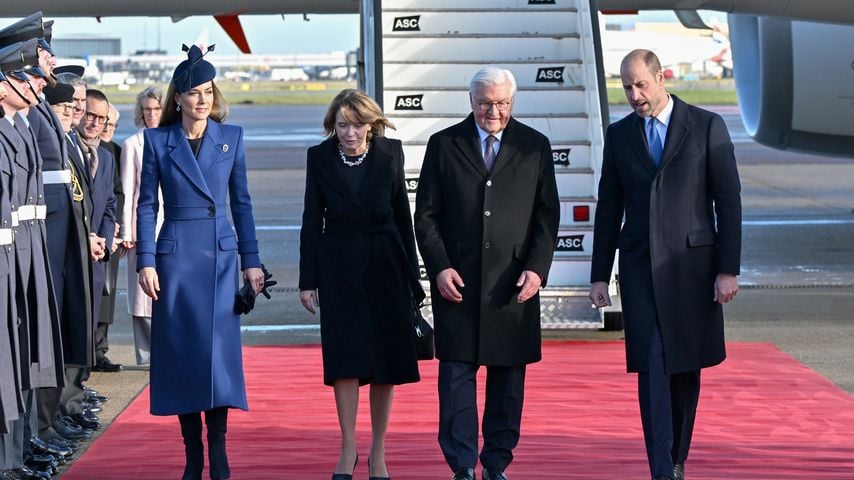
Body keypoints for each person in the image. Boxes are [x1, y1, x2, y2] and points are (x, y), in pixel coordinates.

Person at [588, 49, 741, 480]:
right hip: (639, 270)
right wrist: (600, 273)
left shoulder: (706, 126)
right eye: (626, 87)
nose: (634, 95)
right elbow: (608, 208)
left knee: (684, 369)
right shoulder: (619, 136)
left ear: (661, 78)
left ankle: (677, 457)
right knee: (652, 366)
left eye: (641, 84)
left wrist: (728, 269)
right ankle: (661, 467)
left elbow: (728, 202)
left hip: (692, 270)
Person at [413, 67, 560, 480]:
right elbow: (425, 216)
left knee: (507, 386)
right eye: (484, 103)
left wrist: (536, 269)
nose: (493, 111)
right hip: (458, 285)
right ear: (470, 100)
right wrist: (439, 268)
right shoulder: (444, 145)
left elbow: (547, 216)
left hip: (512, 288)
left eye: (501, 103)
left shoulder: (535, 146)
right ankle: (461, 465)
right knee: (456, 383)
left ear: (512, 102)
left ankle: (496, 464)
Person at [136, 44, 264, 480]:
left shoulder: (233, 138)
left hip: (222, 261)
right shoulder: (157, 141)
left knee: (218, 360)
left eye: (208, 91)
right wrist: (146, 260)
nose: (202, 99)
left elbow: (242, 204)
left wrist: (253, 262)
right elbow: (146, 206)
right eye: (193, 92)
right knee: (182, 357)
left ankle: (220, 452)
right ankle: (193, 455)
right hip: (175, 261)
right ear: (178, 98)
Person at [299, 88, 423, 480]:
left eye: (357, 125)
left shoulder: (391, 153)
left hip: (385, 264)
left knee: (386, 361)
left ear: (372, 125)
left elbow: (403, 216)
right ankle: (348, 445)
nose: (349, 134)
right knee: (345, 359)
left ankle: (378, 451)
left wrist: (413, 277)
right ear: (331, 126)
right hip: (337, 265)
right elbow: (310, 220)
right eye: (342, 126)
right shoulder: (318, 157)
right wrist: (308, 280)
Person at [119, 86, 162, 366]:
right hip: (140, 227)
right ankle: (146, 355)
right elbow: (126, 191)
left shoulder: (174, 139)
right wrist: (126, 231)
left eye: (156, 109)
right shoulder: (132, 145)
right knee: (141, 295)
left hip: (169, 224)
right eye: (147, 109)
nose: (151, 115)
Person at [93, 102, 124, 372]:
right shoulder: (85, 149)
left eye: (112, 125)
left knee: (107, 295)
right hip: (90, 234)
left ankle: (100, 349)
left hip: (108, 234)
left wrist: (115, 225)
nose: (107, 129)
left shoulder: (114, 152)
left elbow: (119, 194)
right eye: (105, 123)